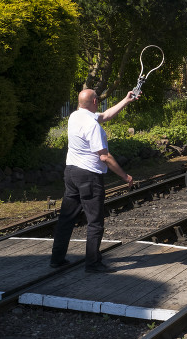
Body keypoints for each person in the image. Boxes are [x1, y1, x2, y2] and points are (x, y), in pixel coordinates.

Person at [50, 89, 137, 273]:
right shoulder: (92, 126)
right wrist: (125, 176)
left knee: (66, 218)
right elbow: (104, 157)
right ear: (96, 101)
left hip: (71, 173)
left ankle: (57, 259)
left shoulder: (74, 116)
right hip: (89, 176)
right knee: (95, 221)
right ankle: (93, 263)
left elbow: (105, 115)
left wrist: (126, 100)